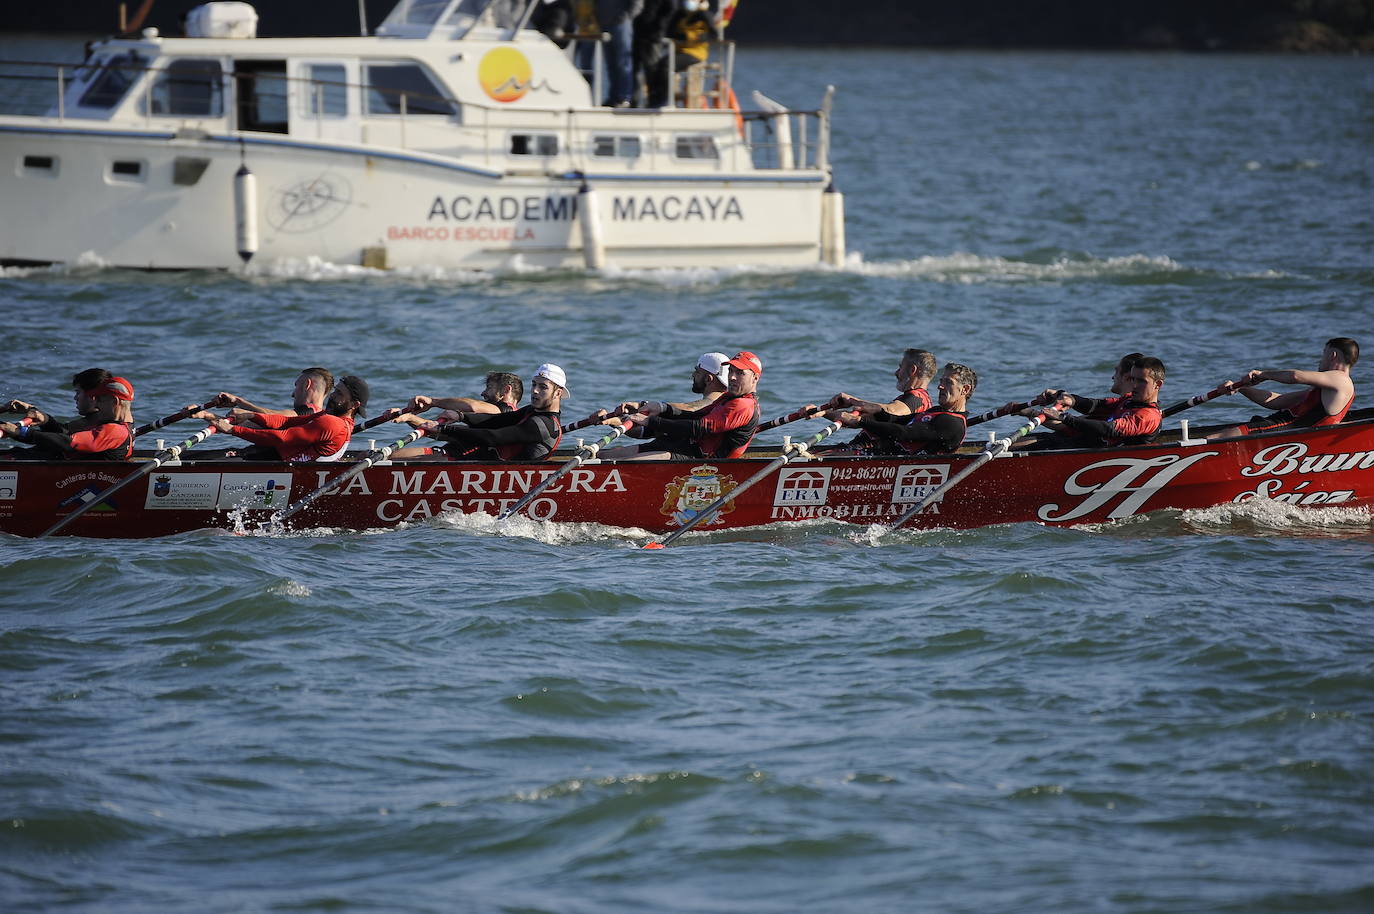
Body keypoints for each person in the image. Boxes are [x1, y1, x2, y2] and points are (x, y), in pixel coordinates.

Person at [604, 350, 761, 460]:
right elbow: (693, 415)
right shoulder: (728, 398)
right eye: (731, 371)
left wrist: (650, 420)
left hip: (702, 462)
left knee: (624, 464)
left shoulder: (743, 405)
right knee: (606, 457)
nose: (732, 377)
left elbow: (697, 427)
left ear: (755, 378)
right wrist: (661, 409)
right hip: (685, 447)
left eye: (740, 373)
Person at [1209, 337, 1358, 440]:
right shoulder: (1325, 389)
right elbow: (1277, 401)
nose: (1320, 360)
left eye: (1323, 354)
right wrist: (1241, 389)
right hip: (1283, 426)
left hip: (1289, 430)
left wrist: (1263, 375)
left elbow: (1295, 376)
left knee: (1219, 437)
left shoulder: (1341, 379)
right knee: (1220, 435)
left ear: (1332, 355)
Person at [197, 376, 368, 462]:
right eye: (334, 390)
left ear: (354, 404)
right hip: (273, 458)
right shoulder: (332, 419)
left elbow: (282, 437)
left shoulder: (332, 422)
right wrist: (251, 416)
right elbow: (285, 422)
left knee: (204, 460)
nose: (332, 396)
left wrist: (233, 430)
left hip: (280, 466)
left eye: (339, 394)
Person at [424, 364, 567, 461]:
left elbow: (493, 437)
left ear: (558, 393)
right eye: (534, 384)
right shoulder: (532, 411)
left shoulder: (542, 425)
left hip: (508, 477)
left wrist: (445, 429)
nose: (535, 390)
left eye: (543, 387)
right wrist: (460, 416)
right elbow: (496, 421)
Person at [829, 363, 975, 455]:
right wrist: (826, 413)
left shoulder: (953, 423)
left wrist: (861, 421)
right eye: (941, 381)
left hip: (892, 468)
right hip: (877, 456)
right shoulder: (935, 412)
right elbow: (895, 420)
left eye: (948, 382)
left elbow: (903, 433)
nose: (940, 386)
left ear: (965, 390)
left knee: (833, 456)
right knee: (833, 452)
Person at [1031, 356, 1166, 448]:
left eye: (1141, 381)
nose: (1135, 385)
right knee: (1032, 441)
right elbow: (1097, 406)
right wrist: (1071, 400)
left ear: (1157, 384)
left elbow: (1110, 429)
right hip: (1084, 446)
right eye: (1133, 380)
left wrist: (1063, 418)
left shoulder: (1148, 416)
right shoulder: (1128, 400)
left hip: (1103, 459)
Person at [0, 372, 135, 460]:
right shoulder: (122, 426)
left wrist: (20, 432)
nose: (96, 403)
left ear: (115, 402)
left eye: (99, 399)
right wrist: (44, 420)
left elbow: (67, 442)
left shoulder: (114, 430)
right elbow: (64, 435)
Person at [574, 0, 644, 107]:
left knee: (623, 62)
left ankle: (624, 97)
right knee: (611, 63)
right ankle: (613, 97)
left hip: (621, 24)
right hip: (604, 24)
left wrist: (626, 16)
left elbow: (637, 3)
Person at [213, 366, 334, 420]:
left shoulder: (308, 412)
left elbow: (273, 416)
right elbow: (260, 426)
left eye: (296, 386)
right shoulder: (320, 415)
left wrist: (238, 401)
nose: (292, 394)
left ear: (307, 385)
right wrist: (208, 417)